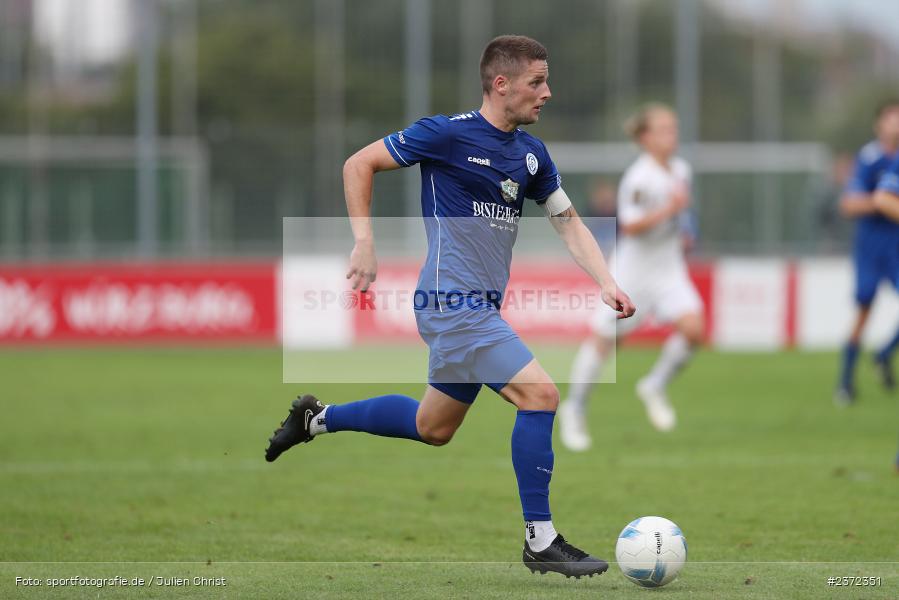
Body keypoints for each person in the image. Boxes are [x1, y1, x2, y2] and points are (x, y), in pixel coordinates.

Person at [265, 35, 635, 578]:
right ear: (501, 84)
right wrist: (364, 240)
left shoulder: (532, 153)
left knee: (433, 426)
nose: (547, 92)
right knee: (541, 394)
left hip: (479, 307)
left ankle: (317, 419)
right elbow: (357, 164)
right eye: (537, 81)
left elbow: (568, 221)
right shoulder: (446, 133)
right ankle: (541, 539)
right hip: (451, 303)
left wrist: (606, 280)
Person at [559, 103, 704, 452]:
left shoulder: (681, 169)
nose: (673, 135)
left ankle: (654, 385)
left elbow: (681, 216)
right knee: (605, 340)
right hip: (634, 271)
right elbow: (630, 225)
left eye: (674, 128)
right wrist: (670, 210)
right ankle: (574, 408)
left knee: (695, 330)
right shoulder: (639, 178)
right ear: (645, 137)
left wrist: (684, 229)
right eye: (664, 129)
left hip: (669, 268)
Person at [834, 100, 899, 405]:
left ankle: (884, 353)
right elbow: (849, 203)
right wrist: (881, 200)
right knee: (864, 309)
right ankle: (845, 383)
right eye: (891, 118)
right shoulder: (869, 158)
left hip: (896, 245)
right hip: (871, 247)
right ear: (879, 125)